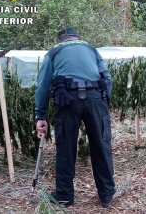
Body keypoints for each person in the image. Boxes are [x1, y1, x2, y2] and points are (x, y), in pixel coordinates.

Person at [35, 27, 115, 208]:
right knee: (101, 147)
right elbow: (107, 77)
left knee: (66, 149)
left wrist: (40, 115)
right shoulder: (91, 49)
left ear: (61, 39)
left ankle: (64, 197)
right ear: (77, 37)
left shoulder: (54, 51)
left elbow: (42, 85)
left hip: (66, 101)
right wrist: (103, 102)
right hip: (95, 98)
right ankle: (106, 195)